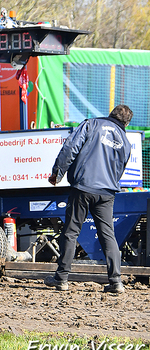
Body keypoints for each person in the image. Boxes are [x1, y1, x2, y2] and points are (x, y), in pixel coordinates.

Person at [45, 104, 133, 294]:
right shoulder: (125, 140)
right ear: (126, 123)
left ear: (111, 114)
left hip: (83, 187)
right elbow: (121, 167)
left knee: (71, 231)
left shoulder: (91, 124)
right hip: (107, 192)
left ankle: (61, 279)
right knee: (107, 235)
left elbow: (70, 147)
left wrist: (57, 172)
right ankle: (116, 281)